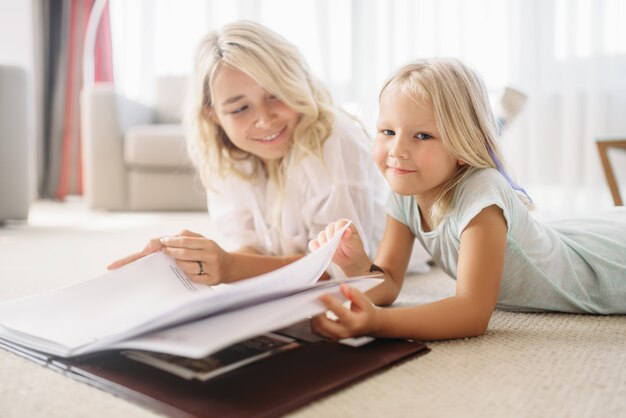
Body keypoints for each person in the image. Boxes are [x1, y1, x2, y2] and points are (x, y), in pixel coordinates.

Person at [308, 57, 626, 341]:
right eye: (388, 132)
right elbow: (389, 283)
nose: (397, 150)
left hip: (605, 269)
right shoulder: (407, 190)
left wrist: (379, 323)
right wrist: (356, 265)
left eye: (422, 136)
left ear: (462, 145)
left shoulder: (482, 194)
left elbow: (472, 312)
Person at [109, 21, 430, 282]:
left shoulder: (333, 140)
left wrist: (231, 266)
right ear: (213, 116)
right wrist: (192, 259)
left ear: (297, 84)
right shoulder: (226, 158)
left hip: (386, 260)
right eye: (239, 109)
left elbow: (338, 269)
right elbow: (252, 249)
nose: (264, 119)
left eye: (276, 95)